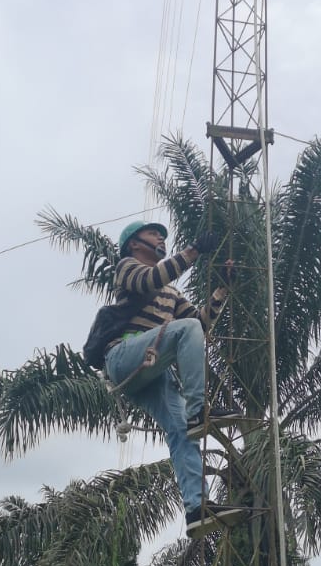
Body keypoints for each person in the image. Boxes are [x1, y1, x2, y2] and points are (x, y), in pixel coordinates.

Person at [104, 221, 247, 538]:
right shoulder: (126, 268)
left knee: (182, 430)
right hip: (123, 358)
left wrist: (221, 291)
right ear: (133, 244)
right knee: (186, 336)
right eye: (153, 234)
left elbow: (198, 325)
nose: (160, 238)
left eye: (162, 235)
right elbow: (153, 278)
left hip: (152, 372)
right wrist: (193, 251)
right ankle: (199, 411)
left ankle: (197, 508)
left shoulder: (171, 293)